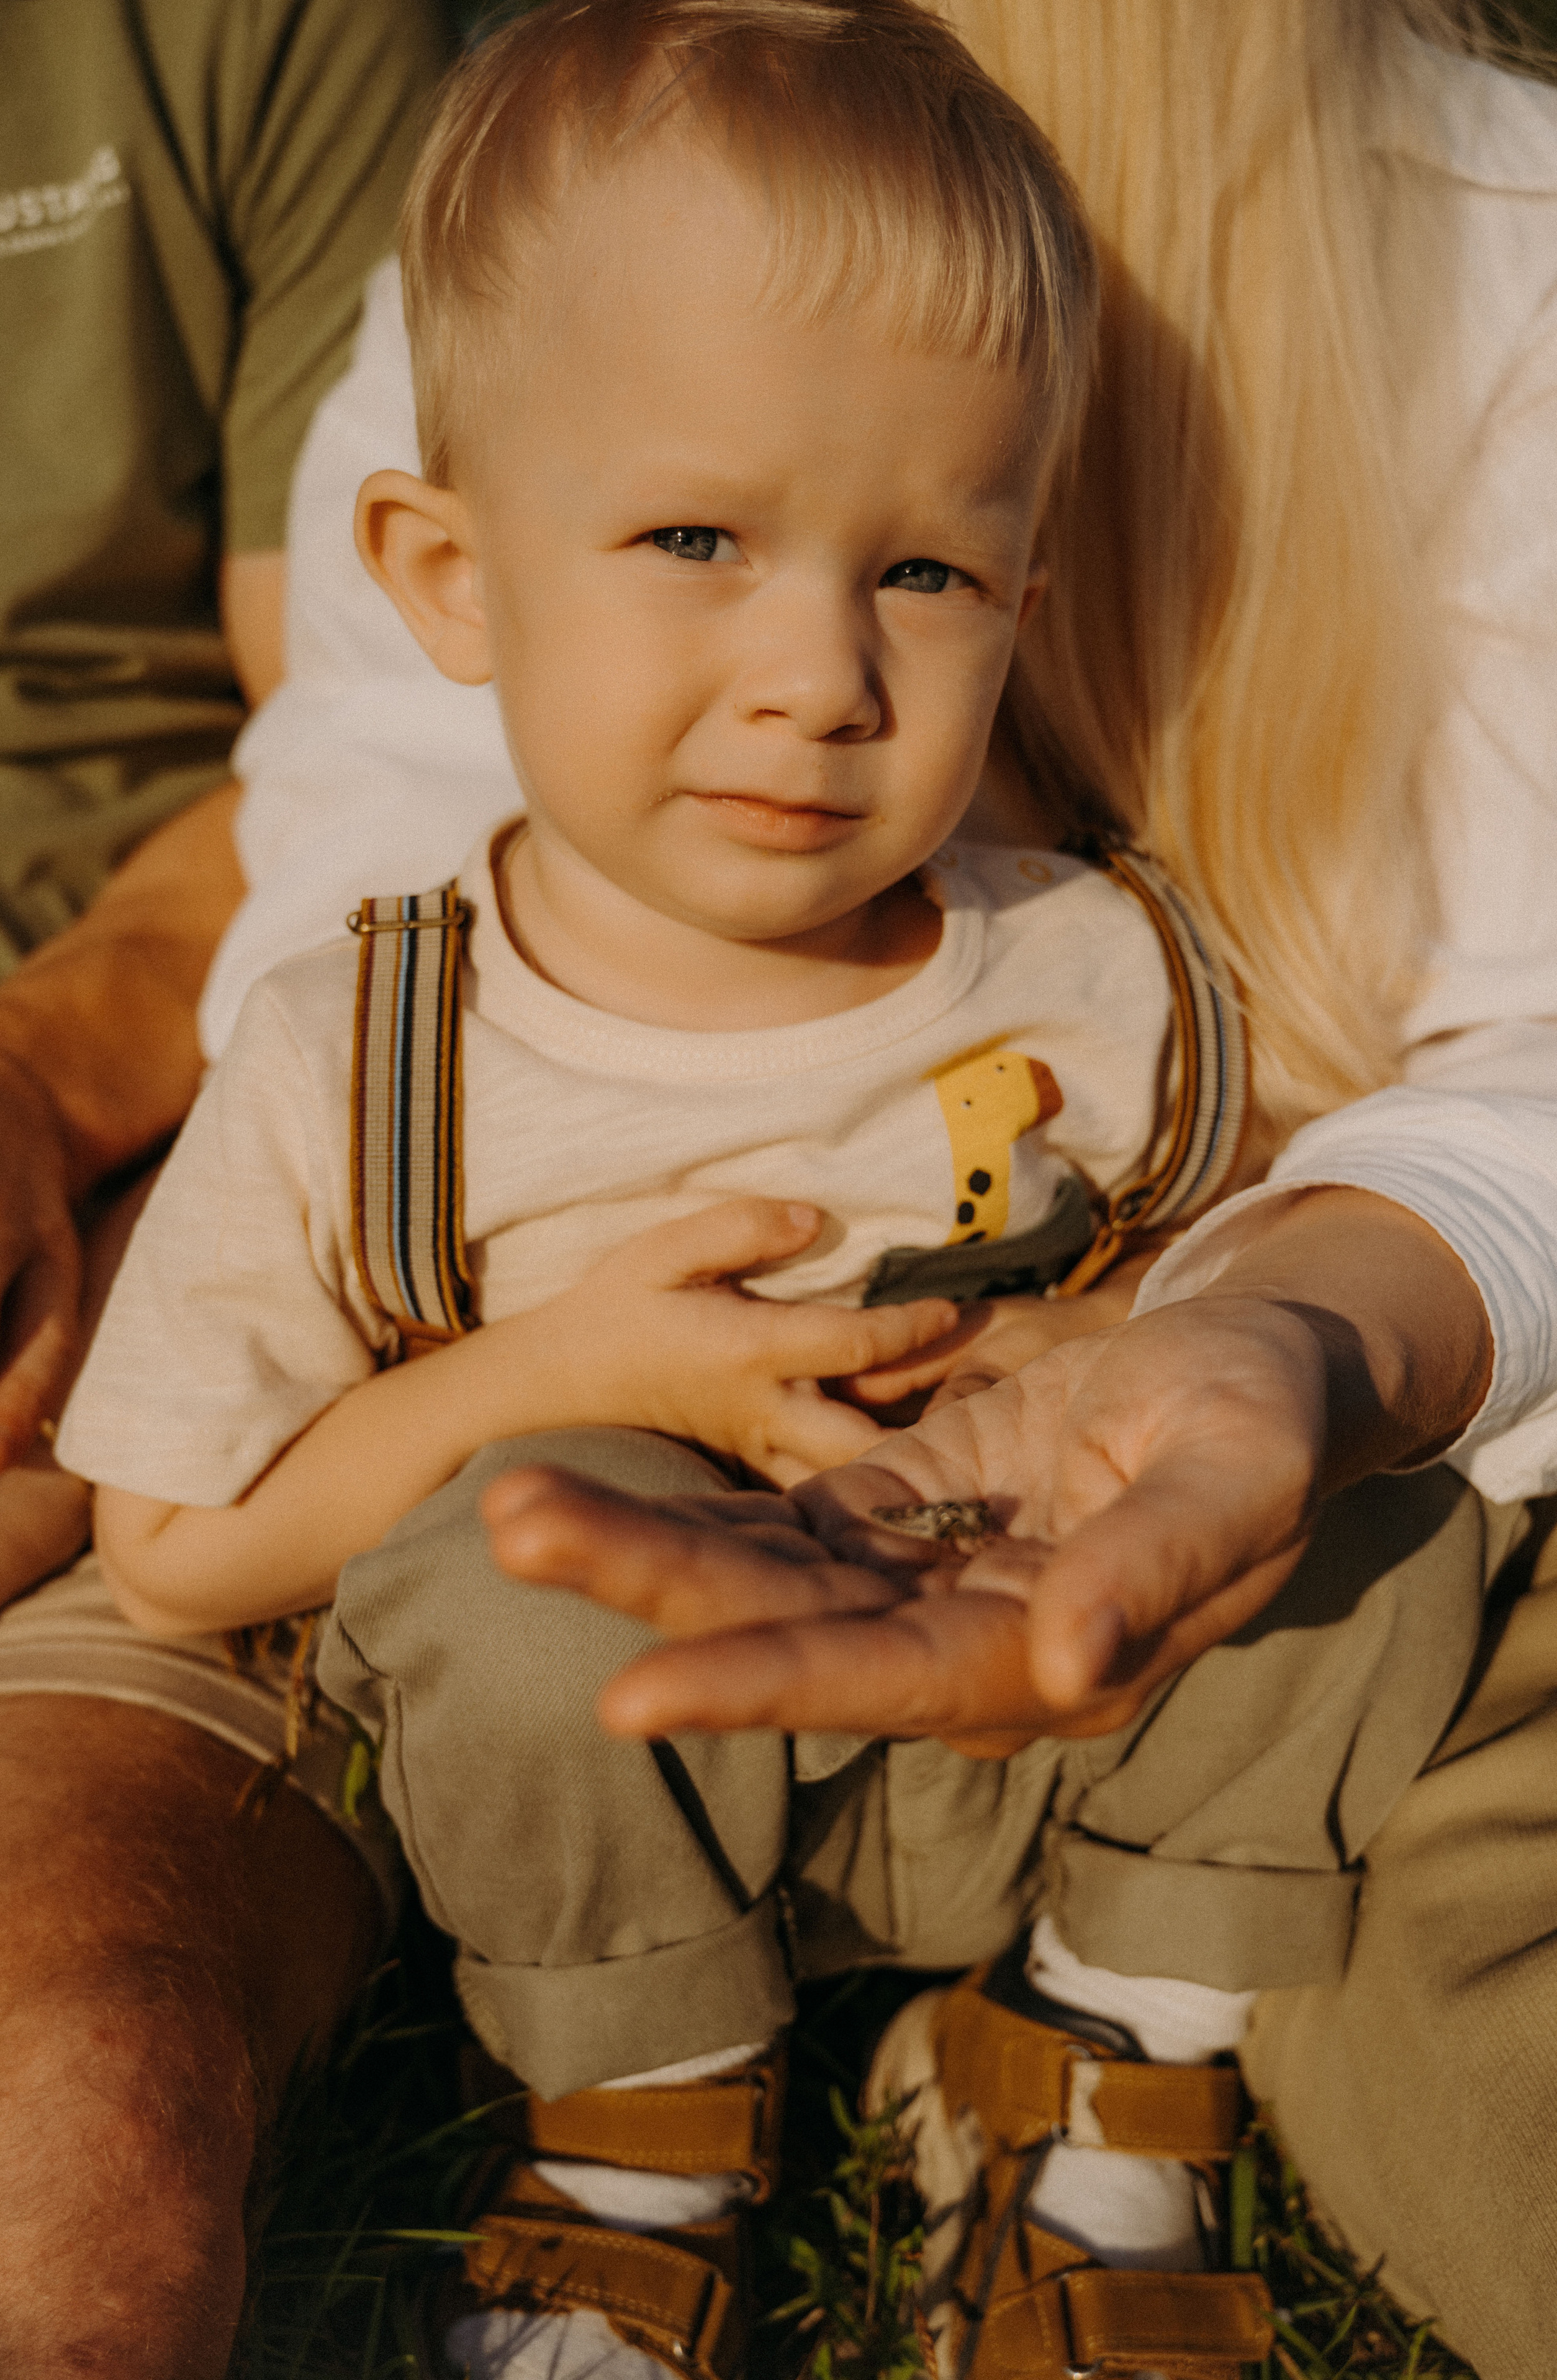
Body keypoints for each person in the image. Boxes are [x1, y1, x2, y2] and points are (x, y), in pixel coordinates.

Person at [173, 2, 1555, 2376]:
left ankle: (1098, 2054)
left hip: (1066, 1655)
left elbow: (1295, 1174)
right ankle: (636, 2127)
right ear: (445, 562)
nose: (815, 674)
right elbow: (190, 1530)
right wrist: (575, 1367)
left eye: (923, 571)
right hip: (656, 1664)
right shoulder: (364, 1044)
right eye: (698, 539)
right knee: (507, 1572)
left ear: (1025, 590)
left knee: (1374, 1524)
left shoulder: (1098, 960)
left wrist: (1235, 1331)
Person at [0, 2, 453, 2373]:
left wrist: (55, 1122)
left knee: (90, 2150)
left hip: (175, 1147)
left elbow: (376, 771)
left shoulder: (254, 30)